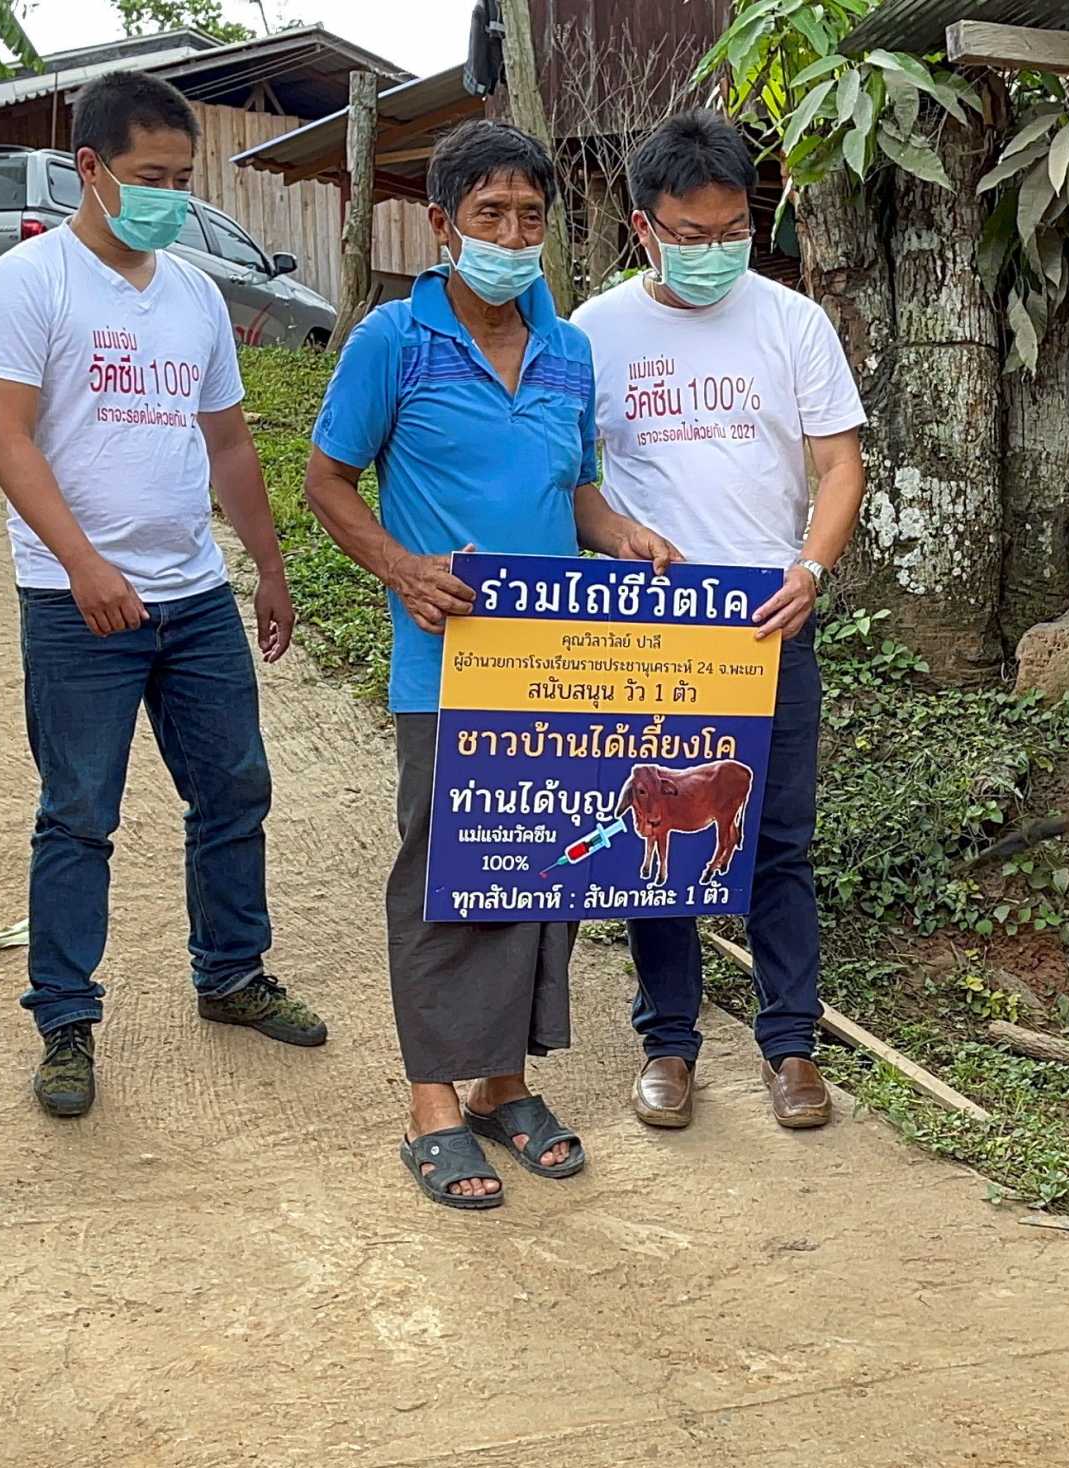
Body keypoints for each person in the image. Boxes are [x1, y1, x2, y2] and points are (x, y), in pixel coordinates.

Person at [304, 120, 681, 1211]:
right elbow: (327, 481)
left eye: (529, 217)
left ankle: (503, 1087)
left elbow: (576, 488)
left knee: (536, 866)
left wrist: (623, 536)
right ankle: (432, 1101)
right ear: (441, 225)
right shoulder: (394, 342)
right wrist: (402, 568)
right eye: (489, 216)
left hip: (554, 669)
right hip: (445, 662)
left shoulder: (568, 350)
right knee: (441, 877)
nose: (512, 235)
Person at [0, 70, 327, 1123]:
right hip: (74, 602)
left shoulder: (194, 294)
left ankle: (231, 973)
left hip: (192, 594)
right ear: (91, 168)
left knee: (234, 789)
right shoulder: (28, 284)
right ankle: (66, 1021)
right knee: (78, 814)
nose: (168, 195)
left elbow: (225, 440)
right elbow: (4, 437)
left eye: (181, 177)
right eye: (149, 176)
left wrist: (265, 562)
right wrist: (84, 564)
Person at [571, 113, 868, 1134]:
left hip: (767, 622)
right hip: (653, 630)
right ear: (641, 227)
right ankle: (668, 1043)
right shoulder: (592, 332)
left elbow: (839, 465)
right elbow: (570, 480)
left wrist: (811, 567)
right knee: (658, 839)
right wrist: (612, 529)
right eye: (688, 235)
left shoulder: (792, 323)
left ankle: (791, 1047)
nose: (712, 251)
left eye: (731, 229)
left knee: (776, 842)